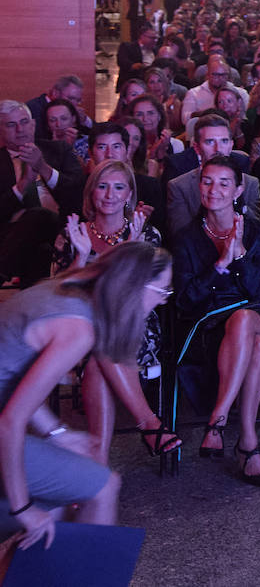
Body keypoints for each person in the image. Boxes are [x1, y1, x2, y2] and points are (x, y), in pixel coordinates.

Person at [0, 243, 168, 549]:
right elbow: (9, 422)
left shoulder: (65, 290)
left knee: (64, 502)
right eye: (162, 292)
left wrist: (57, 433)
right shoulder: (79, 329)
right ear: (134, 288)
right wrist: (22, 508)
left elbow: (13, 378)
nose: (161, 301)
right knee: (103, 486)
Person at [50, 160, 177, 464]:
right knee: (95, 347)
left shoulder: (146, 234)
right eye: (102, 186)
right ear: (91, 192)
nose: (109, 194)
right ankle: (148, 423)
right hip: (80, 324)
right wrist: (80, 256)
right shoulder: (71, 233)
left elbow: (138, 297)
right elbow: (56, 293)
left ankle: (99, 465)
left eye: (118, 187)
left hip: (134, 326)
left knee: (97, 354)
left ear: (129, 194)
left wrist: (130, 250)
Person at [172, 156, 260, 487]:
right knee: (258, 346)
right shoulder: (186, 238)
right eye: (207, 181)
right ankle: (247, 441)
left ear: (238, 190)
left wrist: (240, 257)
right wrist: (220, 264)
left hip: (251, 310)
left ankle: (216, 423)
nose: (214, 189)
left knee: (247, 317)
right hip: (206, 326)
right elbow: (186, 299)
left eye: (223, 183)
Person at [0, 100, 84, 286]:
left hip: (62, 227)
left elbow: (77, 191)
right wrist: (24, 184)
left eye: (24, 122)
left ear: (34, 124)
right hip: (13, 235)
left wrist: (43, 167)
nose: (20, 129)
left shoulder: (59, 150)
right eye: (11, 124)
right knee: (41, 251)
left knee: (39, 216)